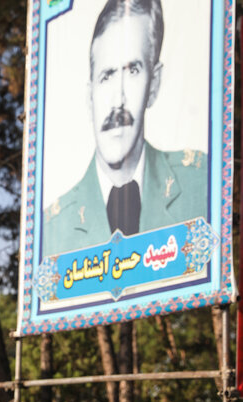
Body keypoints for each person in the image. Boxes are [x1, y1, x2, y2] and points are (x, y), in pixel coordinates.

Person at [42, 0, 207, 257]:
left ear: (154, 85)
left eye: (133, 70)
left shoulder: (200, 184)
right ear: (89, 96)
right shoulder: (51, 229)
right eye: (106, 75)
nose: (118, 100)